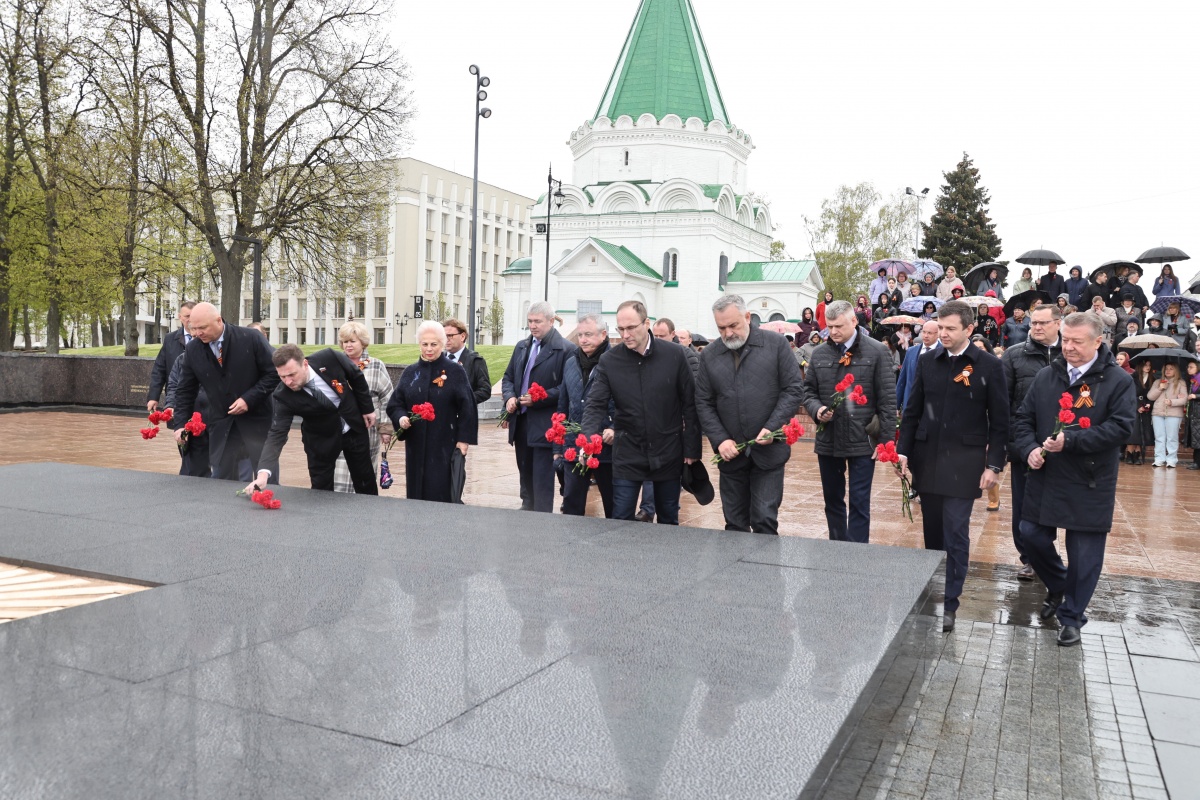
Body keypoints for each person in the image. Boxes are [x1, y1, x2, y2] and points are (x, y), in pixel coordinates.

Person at [1014, 311, 1135, 647]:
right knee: (1030, 535)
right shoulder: (1047, 376)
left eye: (1076, 341)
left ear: (1099, 341)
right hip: (1046, 475)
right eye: (1065, 339)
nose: (1068, 347)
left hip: (1089, 479)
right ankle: (1058, 583)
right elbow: (1023, 419)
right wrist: (1028, 450)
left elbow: (1121, 428)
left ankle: (1072, 617)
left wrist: (1072, 441)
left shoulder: (1117, 380)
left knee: (1084, 555)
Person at [897, 300, 1008, 633]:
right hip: (927, 460)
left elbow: (1001, 421)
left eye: (949, 329)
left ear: (969, 329)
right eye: (938, 328)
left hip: (966, 462)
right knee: (932, 533)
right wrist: (902, 453)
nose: (941, 334)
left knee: (956, 531)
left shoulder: (988, 366)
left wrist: (994, 465)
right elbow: (913, 411)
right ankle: (932, 588)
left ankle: (952, 599)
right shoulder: (927, 360)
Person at [580, 300, 701, 525]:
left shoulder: (675, 354)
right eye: (620, 329)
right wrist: (587, 439)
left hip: (668, 450)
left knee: (667, 518)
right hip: (628, 450)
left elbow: (690, 404)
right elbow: (595, 403)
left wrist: (692, 449)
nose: (625, 335)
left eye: (631, 328)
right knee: (621, 519)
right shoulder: (610, 360)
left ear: (646, 323)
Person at [696, 295, 805, 535]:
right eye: (721, 328)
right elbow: (704, 401)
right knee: (734, 524)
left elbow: (793, 389)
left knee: (764, 519)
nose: (728, 333)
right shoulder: (710, 355)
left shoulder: (776, 345)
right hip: (730, 454)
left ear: (747, 317)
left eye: (733, 325)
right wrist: (720, 439)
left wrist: (773, 426)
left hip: (769, 452)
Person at [801, 300, 897, 543]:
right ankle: (837, 547)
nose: (833, 332)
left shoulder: (877, 351)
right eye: (830, 327)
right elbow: (808, 392)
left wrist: (885, 441)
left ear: (854, 321)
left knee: (859, 500)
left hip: (863, 437)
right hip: (829, 438)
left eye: (839, 326)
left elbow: (887, 399)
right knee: (832, 500)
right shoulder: (820, 353)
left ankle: (856, 553)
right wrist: (817, 409)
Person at [244, 343, 378, 495]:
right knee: (321, 492)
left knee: (365, 481)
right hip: (320, 441)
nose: (288, 382)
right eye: (282, 376)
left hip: (353, 428)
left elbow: (356, 377)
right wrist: (262, 474)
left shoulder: (329, 358)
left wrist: (368, 409)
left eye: (292, 375)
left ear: (305, 364)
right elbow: (277, 433)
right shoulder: (282, 396)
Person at [172, 302, 280, 481]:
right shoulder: (193, 349)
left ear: (218, 320)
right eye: (194, 328)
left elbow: (273, 373)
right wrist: (181, 424)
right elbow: (185, 390)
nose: (198, 333)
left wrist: (248, 399)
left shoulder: (250, 338)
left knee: (266, 477)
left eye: (203, 328)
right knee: (221, 479)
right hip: (222, 424)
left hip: (257, 421)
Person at [1001, 304, 1063, 579]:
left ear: (1058, 323)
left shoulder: (1070, 353)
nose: (1036, 327)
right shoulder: (1015, 355)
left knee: (1055, 504)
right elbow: (1003, 402)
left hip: (1063, 445)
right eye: (1033, 323)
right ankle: (1028, 557)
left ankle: (1046, 554)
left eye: (1042, 323)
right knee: (1024, 504)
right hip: (1024, 444)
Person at [386, 320, 479, 502]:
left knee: (440, 492)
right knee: (416, 493)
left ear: (442, 344)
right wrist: (401, 417)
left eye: (434, 344)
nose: (429, 349)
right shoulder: (410, 372)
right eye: (425, 344)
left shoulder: (455, 372)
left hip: (444, 443)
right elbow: (395, 404)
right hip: (416, 445)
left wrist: (463, 439)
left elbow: (468, 406)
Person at [501, 301, 575, 512]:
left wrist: (539, 398)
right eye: (530, 321)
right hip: (521, 421)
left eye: (537, 322)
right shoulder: (522, 346)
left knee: (542, 476)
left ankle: (541, 515)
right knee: (524, 470)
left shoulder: (566, 350)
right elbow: (508, 378)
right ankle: (527, 506)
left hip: (546, 424)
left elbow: (567, 388)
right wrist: (509, 397)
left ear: (551, 321)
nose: (533, 326)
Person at [556, 313, 615, 517]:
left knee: (613, 504)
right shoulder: (571, 363)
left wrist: (614, 428)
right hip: (575, 444)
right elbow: (563, 405)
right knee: (572, 502)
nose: (583, 340)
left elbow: (626, 404)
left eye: (588, 334)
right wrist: (558, 447)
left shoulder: (616, 362)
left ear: (603, 334)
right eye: (580, 335)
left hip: (605, 447)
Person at [332, 321, 394, 493]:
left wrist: (386, 429)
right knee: (339, 471)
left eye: (352, 341)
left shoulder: (376, 365)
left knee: (364, 472)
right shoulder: (335, 364)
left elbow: (387, 397)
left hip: (368, 430)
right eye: (345, 341)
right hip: (341, 428)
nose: (348, 345)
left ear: (363, 342)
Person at [163, 319, 210, 478]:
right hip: (190, 417)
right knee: (190, 463)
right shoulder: (182, 360)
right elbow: (174, 385)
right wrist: (170, 405)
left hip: (213, 419)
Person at [147, 301, 195, 412]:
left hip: (200, 400)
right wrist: (153, 396)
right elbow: (159, 369)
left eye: (193, 316)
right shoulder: (170, 339)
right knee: (179, 428)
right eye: (187, 316)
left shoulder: (205, 337)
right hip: (176, 398)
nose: (190, 320)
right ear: (180, 317)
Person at [443, 318, 493, 405]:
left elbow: (485, 390)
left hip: (464, 415)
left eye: (450, 335)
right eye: (444, 336)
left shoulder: (475, 361)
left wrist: (463, 400)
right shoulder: (438, 359)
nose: (446, 339)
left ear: (462, 336)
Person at [1148, 362, 1189, 468]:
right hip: (1158, 413)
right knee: (1159, 437)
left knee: (1172, 437)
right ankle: (1159, 459)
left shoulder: (1181, 382)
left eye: (1171, 369)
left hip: (1174, 414)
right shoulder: (1158, 382)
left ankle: (1171, 459)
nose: (1168, 371)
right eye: (1166, 369)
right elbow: (1150, 396)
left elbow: (1184, 399)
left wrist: (1172, 402)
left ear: (1176, 371)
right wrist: (1160, 388)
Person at [896, 319, 940, 413]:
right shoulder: (911, 351)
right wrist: (896, 404)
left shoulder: (944, 352)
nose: (926, 335)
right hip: (910, 405)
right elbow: (902, 379)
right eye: (924, 332)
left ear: (938, 334)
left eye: (930, 333)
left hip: (934, 408)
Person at [1126, 359, 1155, 465]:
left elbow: (1152, 395)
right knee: (1133, 431)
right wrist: (1137, 406)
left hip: (1145, 407)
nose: (1148, 367)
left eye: (1149, 365)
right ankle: (1129, 454)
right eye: (1145, 365)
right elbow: (1128, 394)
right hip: (1133, 405)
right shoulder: (1132, 378)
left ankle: (1137, 454)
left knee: (1142, 430)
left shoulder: (1152, 379)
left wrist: (1149, 404)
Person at [1183, 360, 1200, 470]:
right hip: (1193, 413)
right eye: (1188, 367)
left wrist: (1196, 396)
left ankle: (1197, 462)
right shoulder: (1191, 380)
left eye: (1191, 367)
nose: (1188, 369)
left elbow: (1195, 395)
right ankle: (1196, 461)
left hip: (1198, 412)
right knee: (1196, 438)